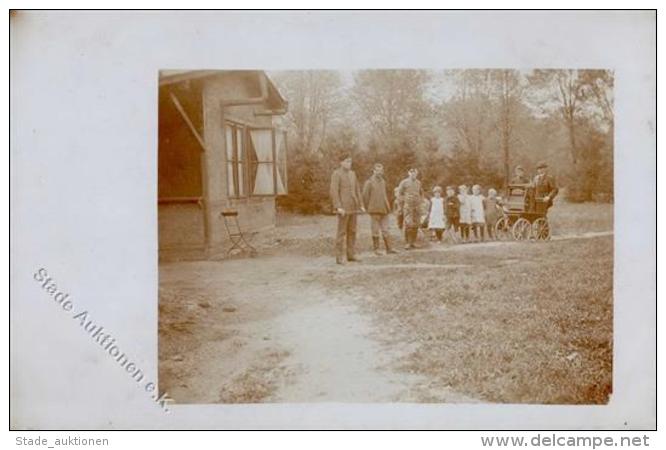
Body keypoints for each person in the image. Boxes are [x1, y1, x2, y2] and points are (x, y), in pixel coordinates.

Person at [330, 154, 365, 264]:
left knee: (352, 231)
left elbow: (357, 190)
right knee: (341, 232)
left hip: (353, 207)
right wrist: (338, 206)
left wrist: (361, 204)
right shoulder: (336, 174)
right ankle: (339, 257)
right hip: (343, 209)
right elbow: (334, 191)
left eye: (350, 161)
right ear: (341, 162)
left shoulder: (352, 174)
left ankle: (351, 255)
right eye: (347, 161)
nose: (349, 163)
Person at [363, 163, 398, 256]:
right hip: (374, 210)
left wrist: (387, 206)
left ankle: (389, 248)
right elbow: (365, 197)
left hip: (384, 209)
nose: (379, 172)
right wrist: (368, 208)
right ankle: (376, 249)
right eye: (377, 170)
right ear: (373, 171)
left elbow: (384, 195)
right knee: (375, 230)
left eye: (381, 171)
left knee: (386, 229)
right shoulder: (369, 182)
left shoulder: (383, 181)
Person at [397, 168, 423, 250]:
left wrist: (420, 201)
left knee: (416, 224)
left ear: (417, 174)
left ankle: (413, 242)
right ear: (408, 173)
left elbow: (421, 193)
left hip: (417, 206)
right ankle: (407, 243)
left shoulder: (418, 183)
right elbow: (399, 194)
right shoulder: (404, 182)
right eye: (411, 173)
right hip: (408, 206)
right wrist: (404, 201)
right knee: (408, 224)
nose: (413, 174)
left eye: (415, 173)